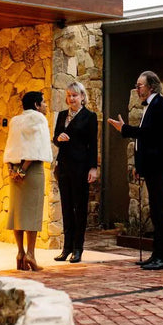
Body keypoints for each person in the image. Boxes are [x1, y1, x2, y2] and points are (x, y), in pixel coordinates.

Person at [107, 70, 163, 270]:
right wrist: (140, 167)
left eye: (140, 85)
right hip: (152, 166)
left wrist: (125, 129)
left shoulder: (160, 106)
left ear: (152, 86)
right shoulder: (151, 106)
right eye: (137, 85)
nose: (137, 89)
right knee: (156, 212)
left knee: (161, 211)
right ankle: (156, 255)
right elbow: (143, 143)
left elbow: (150, 135)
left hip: (160, 166)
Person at [3, 90, 54, 271]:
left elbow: (11, 147)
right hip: (31, 171)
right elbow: (35, 147)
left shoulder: (15, 121)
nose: (46, 106)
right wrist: (24, 170)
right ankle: (31, 255)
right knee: (32, 213)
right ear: (36, 105)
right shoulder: (39, 119)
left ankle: (20, 253)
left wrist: (12, 170)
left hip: (14, 170)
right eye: (44, 102)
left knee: (18, 213)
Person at [52, 81, 99, 263]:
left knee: (79, 208)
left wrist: (93, 167)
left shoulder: (89, 116)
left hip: (80, 167)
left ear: (82, 97)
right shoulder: (62, 115)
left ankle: (78, 248)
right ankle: (66, 248)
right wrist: (58, 137)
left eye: (74, 95)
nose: (71, 99)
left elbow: (93, 144)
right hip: (63, 166)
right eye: (69, 95)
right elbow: (55, 138)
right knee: (66, 207)